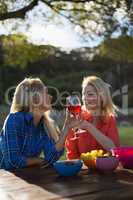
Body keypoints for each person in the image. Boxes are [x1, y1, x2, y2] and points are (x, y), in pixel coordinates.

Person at [0, 78, 79, 170]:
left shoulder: (44, 124)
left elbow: (51, 158)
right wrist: (38, 160)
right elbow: (12, 162)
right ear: (33, 98)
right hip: (5, 180)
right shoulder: (14, 120)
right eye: (45, 93)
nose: (50, 97)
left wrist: (66, 127)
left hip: (26, 179)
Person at [65, 76, 120, 159]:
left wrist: (89, 127)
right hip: (83, 170)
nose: (85, 98)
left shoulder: (109, 119)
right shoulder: (77, 118)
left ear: (102, 97)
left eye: (90, 94)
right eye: (84, 94)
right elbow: (72, 154)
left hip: (105, 169)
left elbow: (114, 150)